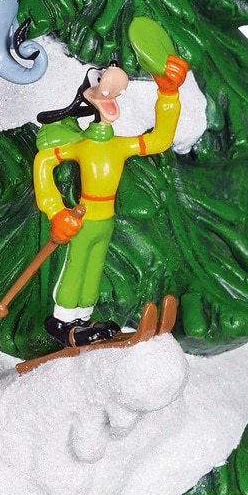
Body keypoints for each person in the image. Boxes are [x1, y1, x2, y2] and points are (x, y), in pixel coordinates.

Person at [33, 54, 187, 347]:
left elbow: (159, 140)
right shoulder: (80, 145)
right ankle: (62, 322)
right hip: (83, 217)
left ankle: (83, 320)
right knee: (76, 266)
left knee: (94, 269)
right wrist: (55, 211)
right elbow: (43, 161)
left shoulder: (119, 145)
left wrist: (168, 95)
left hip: (106, 220)